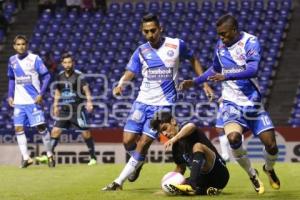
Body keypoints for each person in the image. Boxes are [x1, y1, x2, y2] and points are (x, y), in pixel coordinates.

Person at [102, 13, 214, 191]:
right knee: (128, 141)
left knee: (144, 142)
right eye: (146, 31)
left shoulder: (176, 44)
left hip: (163, 105)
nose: (150, 35)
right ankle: (138, 161)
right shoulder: (141, 50)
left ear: (160, 28)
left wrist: (203, 83)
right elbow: (131, 71)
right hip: (142, 101)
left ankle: (118, 182)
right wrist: (121, 83)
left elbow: (193, 59)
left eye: (153, 30)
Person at [180, 14, 280, 194]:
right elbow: (215, 69)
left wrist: (226, 76)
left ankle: (269, 169)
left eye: (224, 34)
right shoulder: (220, 47)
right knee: (233, 139)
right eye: (219, 34)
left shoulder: (250, 42)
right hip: (231, 104)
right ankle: (252, 174)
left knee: (271, 146)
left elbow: (253, 69)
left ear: (234, 30)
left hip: (253, 104)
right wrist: (195, 81)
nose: (221, 38)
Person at [36, 53, 97, 166]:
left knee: (86, 133)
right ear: (62, 64)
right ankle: (48, 155)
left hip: (77, 109)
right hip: (64, 110)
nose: (68, 65)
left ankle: (93, 158)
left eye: (69, 62)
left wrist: (89, 102)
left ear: (73, 63)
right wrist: (55, 105)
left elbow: (86, 89)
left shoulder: (79, 75)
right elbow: (58, 91)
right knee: (55, 131)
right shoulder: (59, 76)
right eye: (65, 62)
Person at [150, 110, 229, 195]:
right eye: (161, 132)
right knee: (176, 188)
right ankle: (206, 191)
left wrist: (174, 138)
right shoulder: (176, 148)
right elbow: (180, 168)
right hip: (202, 179)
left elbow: (191, 126)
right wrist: (167, 184)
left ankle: (192, 185)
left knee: (198, 146)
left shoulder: (185, 128)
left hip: (219, 173)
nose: (164, 133)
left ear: (173, 121)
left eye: (165, 128)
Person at [7, 35, 54, 168]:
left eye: (23, 44)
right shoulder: (12, 60)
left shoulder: (34, 58)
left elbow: (46, 76)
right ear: (14, 46)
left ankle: (50, 154)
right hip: (19, 102)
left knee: (41, 127)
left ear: (26, 45)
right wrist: (10, 96)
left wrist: (41, 94)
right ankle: (26, 158)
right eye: (18, 44)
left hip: (33, 101)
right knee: (18, 128)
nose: (21, 46)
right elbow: (11, 79)